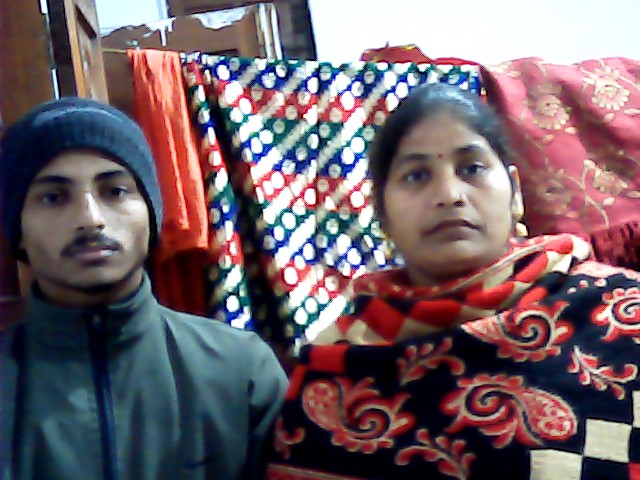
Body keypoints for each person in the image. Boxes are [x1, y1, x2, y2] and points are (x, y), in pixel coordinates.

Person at [267, 83, 640, 479]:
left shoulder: (622, 314)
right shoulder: (337, 365)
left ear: (515, 193)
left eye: (471, 168)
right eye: (416, 176)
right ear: (383, 215)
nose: (449, 194)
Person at [0, 97, 288, 480]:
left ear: (151, 212)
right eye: (53, 197)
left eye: (115, 192)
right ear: (17, 228)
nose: (91, 218)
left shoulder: (242, 370)